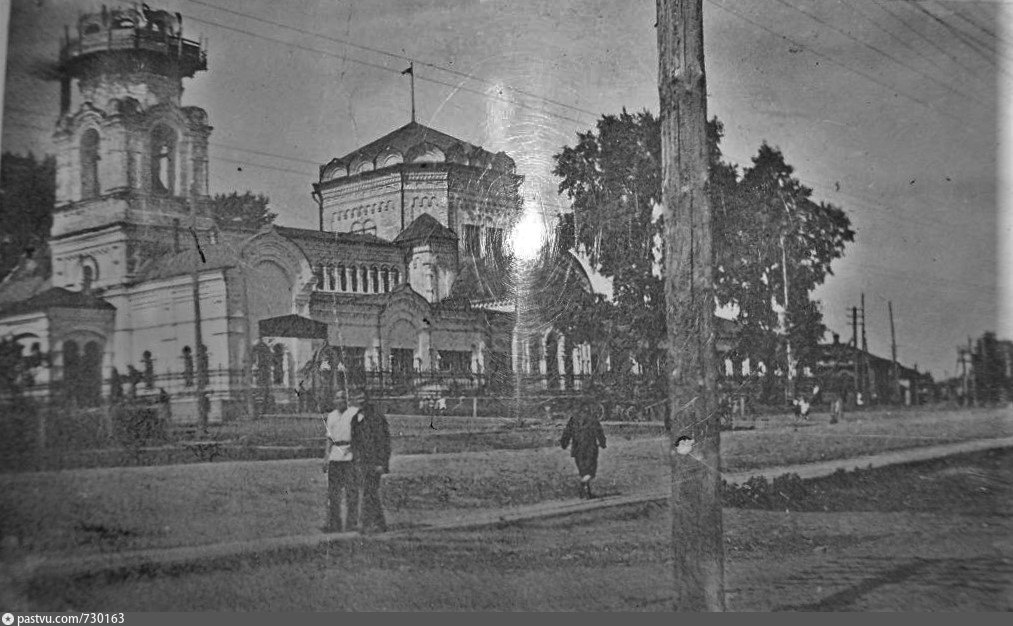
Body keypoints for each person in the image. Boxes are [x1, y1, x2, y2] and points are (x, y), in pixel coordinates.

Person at [351, 389, 392, 534]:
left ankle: (366, 523)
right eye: (358, 398)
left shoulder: (376, 417)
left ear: (368, 399)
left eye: (363, 398)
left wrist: (382, 463)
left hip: (375, 461)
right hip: (361, 461)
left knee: (369, 491)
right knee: (370, 491)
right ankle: (379, 523)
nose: (360, 401)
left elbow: (384, 442)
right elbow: (354, 441)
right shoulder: (355, 418)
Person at [322, 388, 361, 533]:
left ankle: (351, 523)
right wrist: (326, 457)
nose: (340, 401)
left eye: (343, 398)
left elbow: (360, 434)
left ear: (347, 399)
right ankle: (334, 523)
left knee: (352, 491)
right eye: (337, 398)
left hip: (350, 455)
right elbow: (329, 438)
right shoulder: (331, 416)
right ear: (334, 400)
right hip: (335, 456)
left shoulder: (354, 413)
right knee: (333, 493)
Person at [560, 408, 607, 499]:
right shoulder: (592, 418)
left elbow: (567, 432)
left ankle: (586, 491)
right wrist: (603, 443)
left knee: (583, 471)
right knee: (590, 471)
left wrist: (564, 443)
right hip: (591, 448)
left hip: (577, 449)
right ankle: (584, 486)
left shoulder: (573, 419)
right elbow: (599, 432)